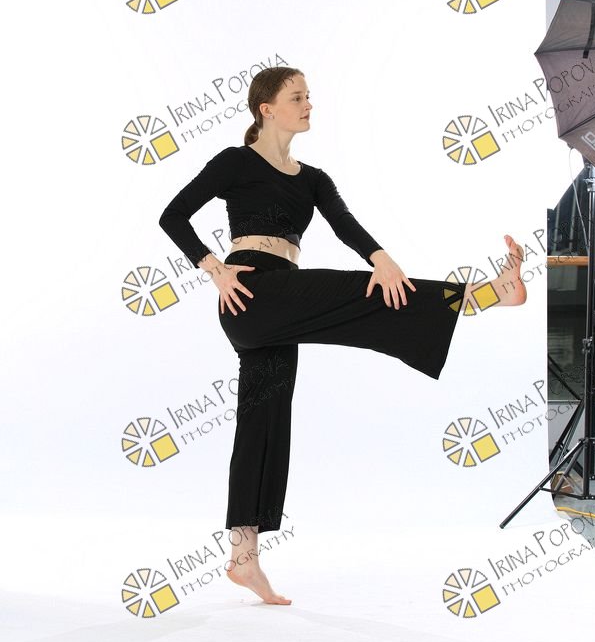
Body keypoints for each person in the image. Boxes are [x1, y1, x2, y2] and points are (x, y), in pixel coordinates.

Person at [158, 66, 526, 605]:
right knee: (358, 292)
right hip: (252, 295)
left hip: (284, 301)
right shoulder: (234, 162)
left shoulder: (314, 178)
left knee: (265, 422)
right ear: (266, 109)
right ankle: (486, 294)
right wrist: (215, 268)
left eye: (309, 96)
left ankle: (243, 556)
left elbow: (344, 223)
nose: (309, 104)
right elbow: (172, 216)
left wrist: (382, 258)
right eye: (297, 97)